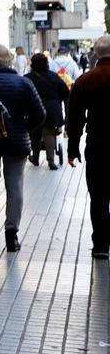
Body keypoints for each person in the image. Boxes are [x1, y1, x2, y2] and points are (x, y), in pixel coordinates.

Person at [0, 44, 45, 252]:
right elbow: (40, 114)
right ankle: (11, 233)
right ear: (9, 60)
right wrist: (23, 127)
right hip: (17, 141)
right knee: (15, 185)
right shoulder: (24, 83)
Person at [66, 35, 110, 260]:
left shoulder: (85, 80)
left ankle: (101, 245)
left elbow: (74, 118)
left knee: (99, 196)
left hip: (98, 145)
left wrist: (72, 149)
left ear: (95, 52)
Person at [25, 52, 69, 169]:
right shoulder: (54, 76)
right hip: (52, 110)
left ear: (32, 64)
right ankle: (51, 160)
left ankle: (35, 158)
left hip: (34, 110)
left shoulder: (27, 79)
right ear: (46, 63)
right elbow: (66, 93)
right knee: (49, 132)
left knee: (35, 134)